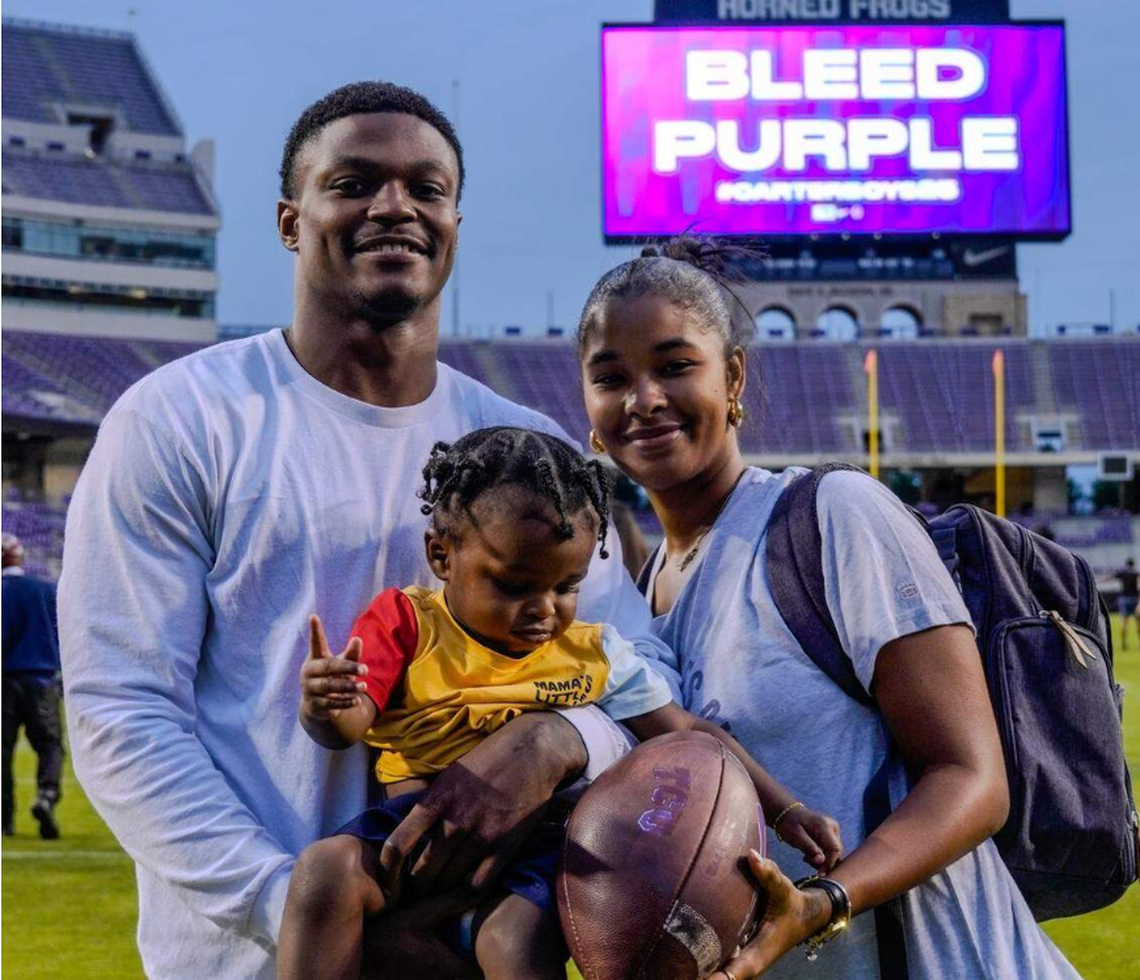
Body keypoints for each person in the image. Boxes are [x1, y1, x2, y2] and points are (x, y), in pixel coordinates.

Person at [58, 82, 671, 980]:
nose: (395, 206)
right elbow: (123, 713)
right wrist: (303, 910)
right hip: (251, 960)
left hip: (472, 951)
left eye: (426, 188)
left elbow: (635, 678)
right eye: (353, 183)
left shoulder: (530, 455)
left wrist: (561, 740)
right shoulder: (180, 419)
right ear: (287, 220)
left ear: (455, 222)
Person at [575, 238, 1082, 980]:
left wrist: (823, 901)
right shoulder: (637, 594)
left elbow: (973, 782)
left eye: (676, 366)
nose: (643, 398)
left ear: (734, 376)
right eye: (610, 376)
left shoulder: (830, 515)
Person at [277, 427, 841, 980]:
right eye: (514, 585)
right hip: (414, 831)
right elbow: (351, 724)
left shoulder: (594, 654)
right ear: (441, 555)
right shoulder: (408, 621)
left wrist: (785, 809)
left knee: (512, 941)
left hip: (543, 844)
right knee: (323, 872)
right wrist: (326, 706)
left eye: (566, 587)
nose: (543, 610)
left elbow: (686, 733)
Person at [2, 533, 63, 839]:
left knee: (3, 750)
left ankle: (4, 820)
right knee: (50, 745)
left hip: (4, 683)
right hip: (42, 680)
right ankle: (46, 797)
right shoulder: (46, 590)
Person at [1106, 558, 1138, 651]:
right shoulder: (1135, 573)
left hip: (1124, 599)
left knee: (1124, 622)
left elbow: (1110, 577)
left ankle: (1123, 643)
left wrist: (1097, 580)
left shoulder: (1122, 573)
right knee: (1138, 623)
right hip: (1135, 599)